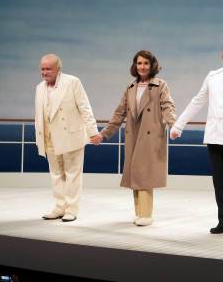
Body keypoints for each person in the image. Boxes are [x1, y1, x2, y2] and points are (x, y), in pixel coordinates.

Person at [170, 39, 223, 236]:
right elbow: (197, 101)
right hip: (214, 136)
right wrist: (179, 124)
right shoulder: (213, 76)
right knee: (219, 181)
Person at [91, 50, 176, 226]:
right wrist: (103, 134)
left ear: (152, 65)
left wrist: (173, 124)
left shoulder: (160, 85)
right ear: (134, 66)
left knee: (145, 174)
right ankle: (139, 213)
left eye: (145, 63)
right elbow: (119, 113)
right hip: (133, 135)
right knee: (136, 174)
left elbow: (167, 106)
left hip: (150, 136)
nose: (142, 67)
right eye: (139, 63)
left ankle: (145, 214)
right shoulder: (130, 88)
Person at [34, 54, 99, 222]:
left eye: (48, 68)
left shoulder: (72, 82)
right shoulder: (39, 88)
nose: (44, 72)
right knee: (56, 174)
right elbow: (39, 115)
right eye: (42, 68)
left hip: (71, 135)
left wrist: (93, 131)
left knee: (72, 174)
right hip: (49, 137)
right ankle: (59, 207)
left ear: (58, 69)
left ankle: (71, 209)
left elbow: (85, 107)